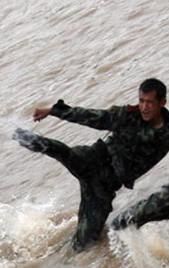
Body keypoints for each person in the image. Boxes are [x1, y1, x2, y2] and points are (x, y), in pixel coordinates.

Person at [13, 78, 169, 251]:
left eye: (150, 102)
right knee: (64, 153)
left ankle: (56, 255)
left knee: (85, 244)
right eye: (141, 101)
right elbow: (92, 117)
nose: (144, 107)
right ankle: (20, 135)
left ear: (162, 102)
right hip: (93, 159)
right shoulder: (127, 116)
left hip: (104, 188)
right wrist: (53, 111)